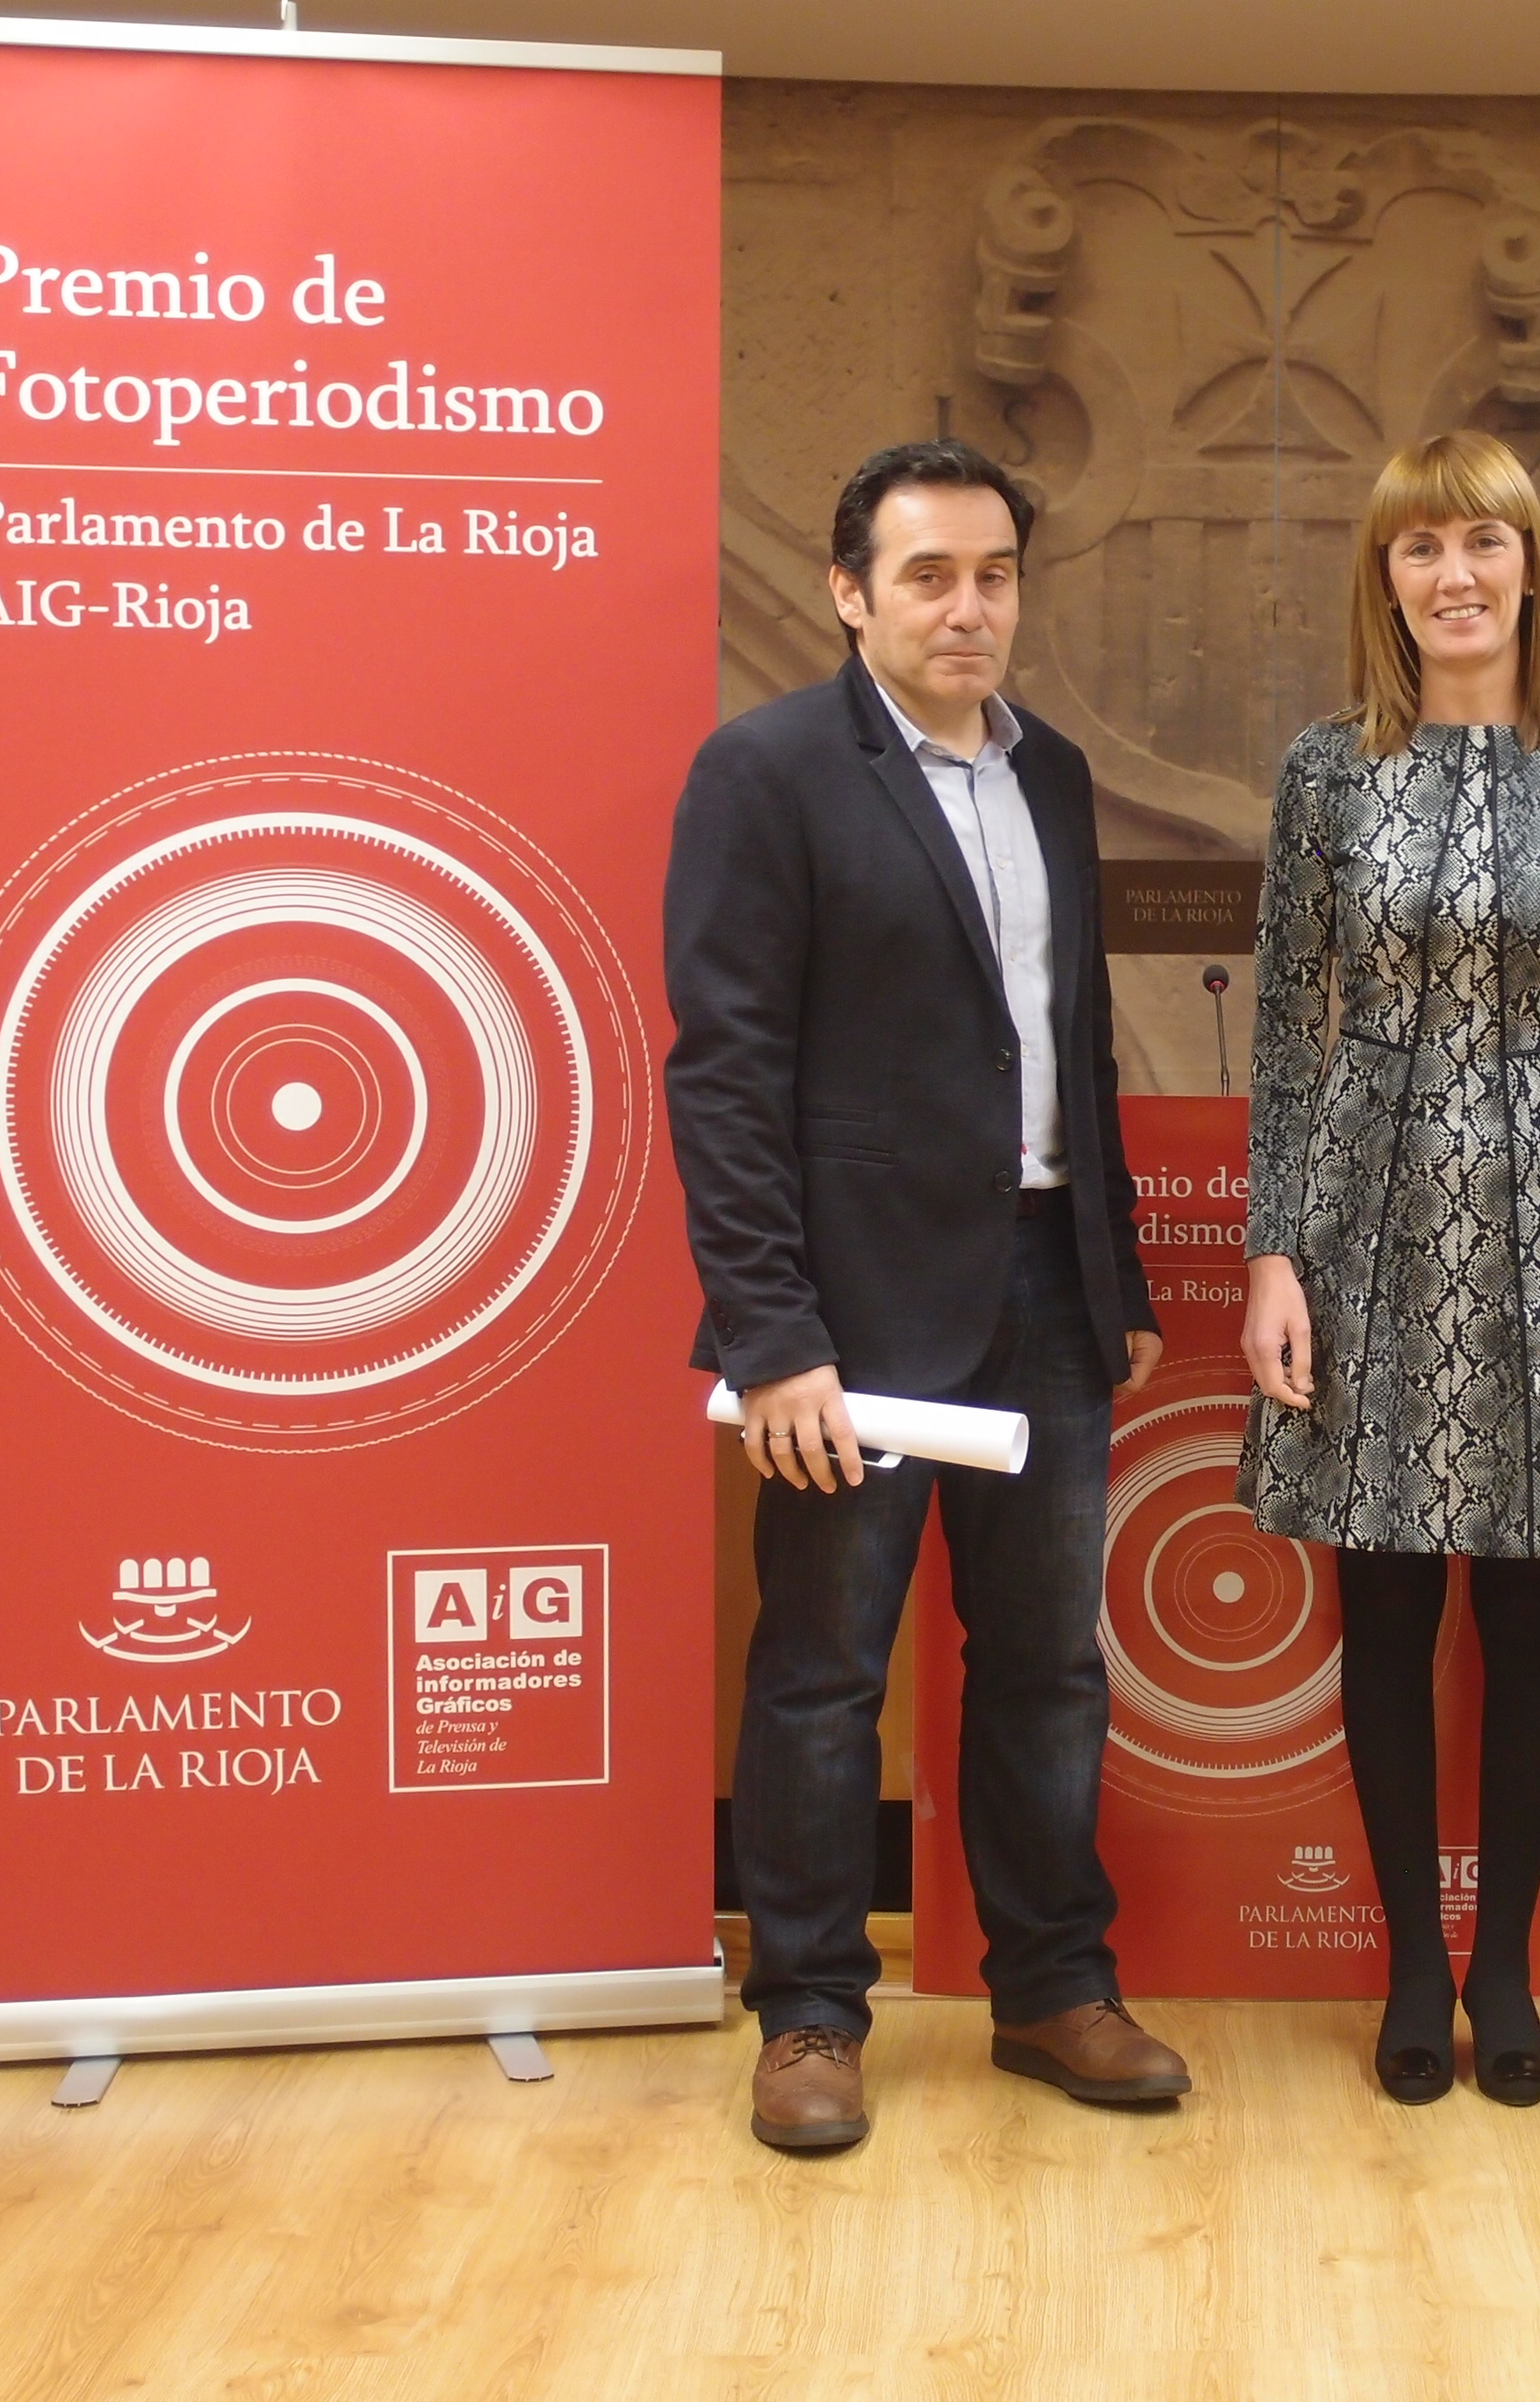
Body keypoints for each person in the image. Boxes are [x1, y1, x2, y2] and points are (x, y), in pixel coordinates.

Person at [666, 438, 1182, 2151]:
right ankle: (810, 2016)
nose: (970, 608)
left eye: (996, 575)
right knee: (824, 1672)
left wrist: (1116, 1270)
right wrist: (772, 1339)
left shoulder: (1056, 778)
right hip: (853, 1322)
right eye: (930, 577)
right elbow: (725, 1077)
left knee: (1048, 1667)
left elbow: (1076, 1044)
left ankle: (1049, 1988)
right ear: (849, 593)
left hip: (1047, 1294)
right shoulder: (768, 773)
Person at [1237, 428, 1540, 2110]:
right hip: (1362, 1207)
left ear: (1527, 567)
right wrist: (1272, 1252)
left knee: (1530, 1600)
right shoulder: (1324, 774)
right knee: (1385, 1598)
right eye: (1421, 548)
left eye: (1482, 543)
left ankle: (1507, 1971)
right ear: (1388, 580)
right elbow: (1288, 1031)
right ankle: (1412, 1971)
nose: (1455, 576)